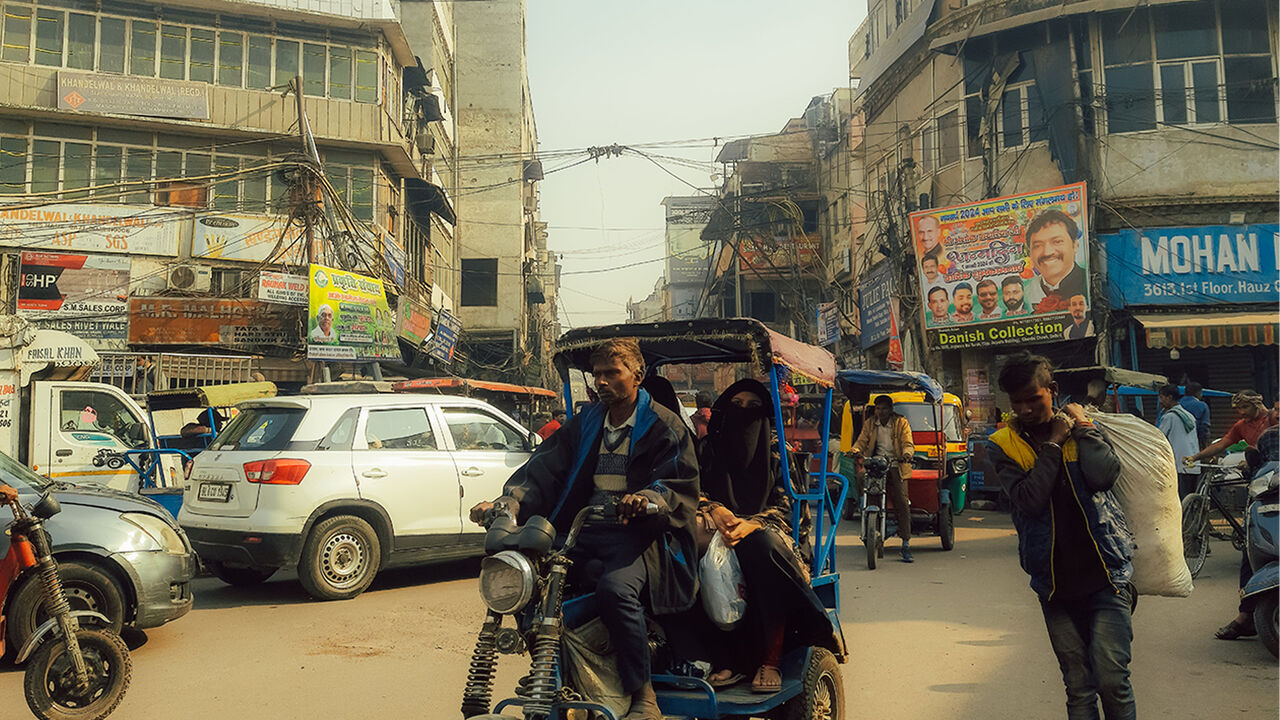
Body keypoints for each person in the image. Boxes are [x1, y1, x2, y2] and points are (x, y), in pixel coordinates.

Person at [467, 338, 699, 720]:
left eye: (613, 373)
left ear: (637, 376)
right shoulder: (587, 421)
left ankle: (644, 694)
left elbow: (677, 485)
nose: (603, 381)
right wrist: (507, 501)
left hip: (640, 536)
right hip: (582, 531)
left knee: (615, 591)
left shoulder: (664, 425)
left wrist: (645, 498)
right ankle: (552, 669)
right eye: (598, 374)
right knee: (529, 582)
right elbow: (544, 468)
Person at [987, 353, 1135, 720]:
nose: (1024, 409)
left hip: (1107, 576)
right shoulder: (1003, 444)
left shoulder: (1083, 429)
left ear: (1051, 391)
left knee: (1112, 679)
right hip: (1054, 585)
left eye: (1033, 399)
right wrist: (1053, 445)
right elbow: (1028, 500)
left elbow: (1103, 476)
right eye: (1016, 402)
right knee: (1078, 685)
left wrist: (1082, 427)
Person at [696, 380, 838, 693]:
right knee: (684, 546)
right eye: (736, 406)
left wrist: (752, 524)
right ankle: (718, 658)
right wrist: (716, 510)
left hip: (771, 537)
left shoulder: (780, 455)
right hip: (717, 527)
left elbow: (790, 511)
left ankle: (770, 659)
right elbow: (693, 491)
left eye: (753, 407)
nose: (744, 413)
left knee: (760, 548)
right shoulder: (708, 449)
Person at [851, 395, 916, 562]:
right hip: (875, 463)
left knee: (902, 501)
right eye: (878, 408)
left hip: (896, 464)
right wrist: (855, 450)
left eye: (884, 408)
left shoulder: (901, 423)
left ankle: (906, 543)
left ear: (891, 409)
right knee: (862, 481)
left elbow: (907, 442)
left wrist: (907, 454)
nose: (881, 412)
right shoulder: (870, 423)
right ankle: (865, 514)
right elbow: (861, 441)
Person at [1022, 209, 1088, 313]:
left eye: (1057, 241)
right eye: (1038, 245)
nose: (1047, 252)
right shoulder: (1024, 293)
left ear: (1075, 245)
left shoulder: (1088, 283)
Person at [1186, 390, 1277, 464]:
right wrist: (1195, 457)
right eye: (1239, 408)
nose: (1241, 412)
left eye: (1245, 407)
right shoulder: (1241, 426)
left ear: (1256, 405)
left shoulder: (1273, 418)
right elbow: (1220, 445)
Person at [1156, 385, 1199, 499]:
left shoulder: (1169, 417)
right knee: (1190, 499)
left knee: (1181, 499)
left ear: (1169, 397)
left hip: (1179, 464)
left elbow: (1159, 438)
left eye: (1161, 397)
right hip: (1193, 464)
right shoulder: (1189, 416)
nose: (1160, 401)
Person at [1179, 382, 1211, 449]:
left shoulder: (1177, 404)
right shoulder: (1202, 406)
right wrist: (1206, 447)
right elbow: (1204, 428)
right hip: (1194, 442)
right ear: (1198, 393)